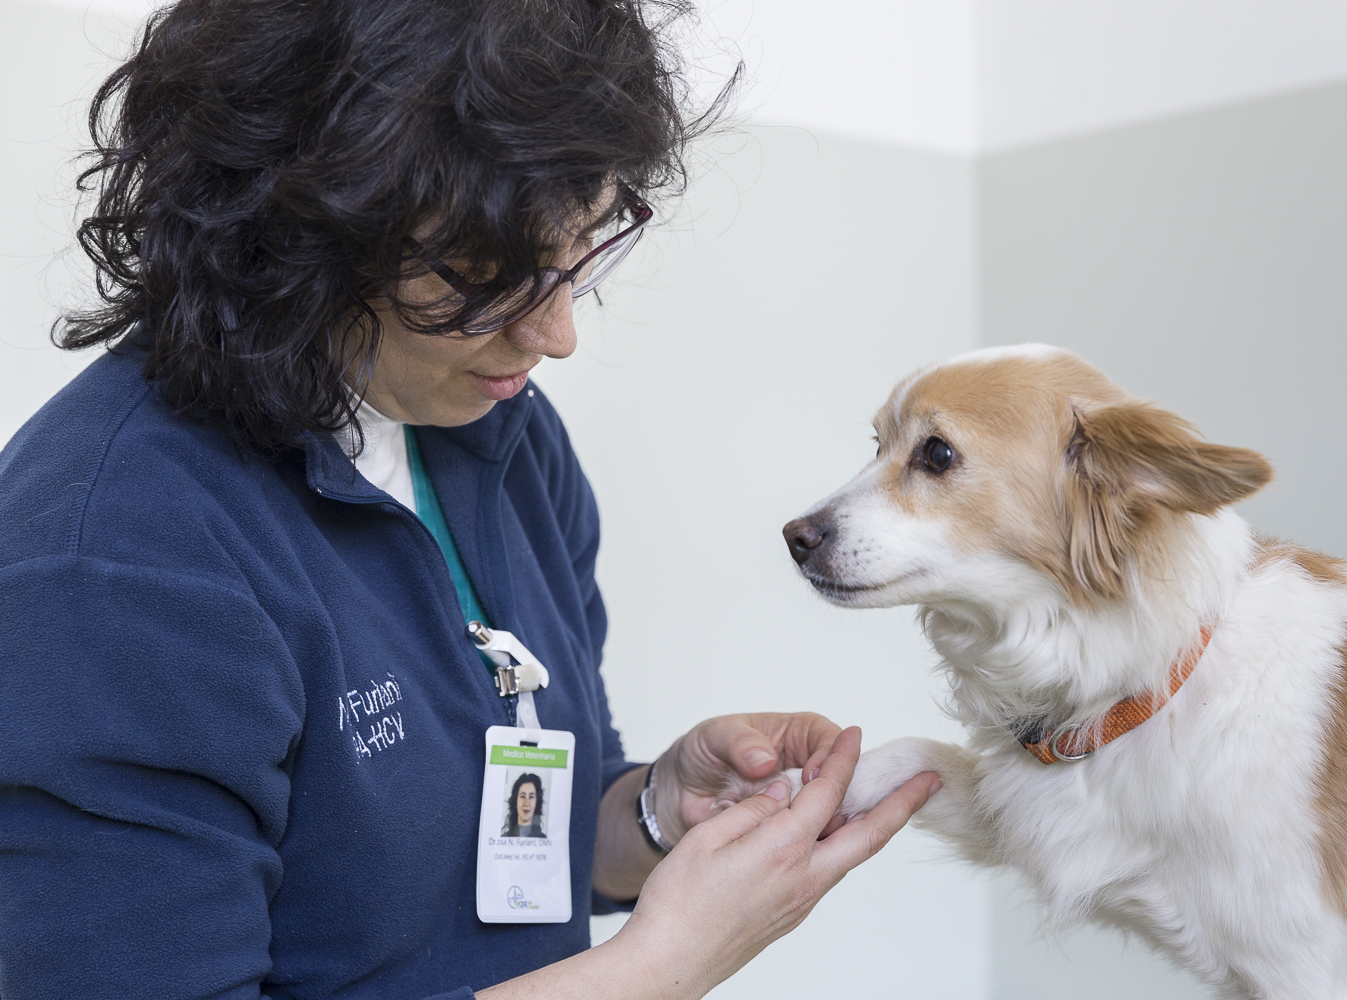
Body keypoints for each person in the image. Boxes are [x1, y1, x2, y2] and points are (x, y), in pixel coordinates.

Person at [0, 0, 940, 998]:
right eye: (490, 273)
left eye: (577, 253)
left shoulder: (498, 436)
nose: (554, 332)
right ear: (298, 225)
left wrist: (654, 812)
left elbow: (516, 856)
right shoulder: (118, 557)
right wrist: (663, 965)